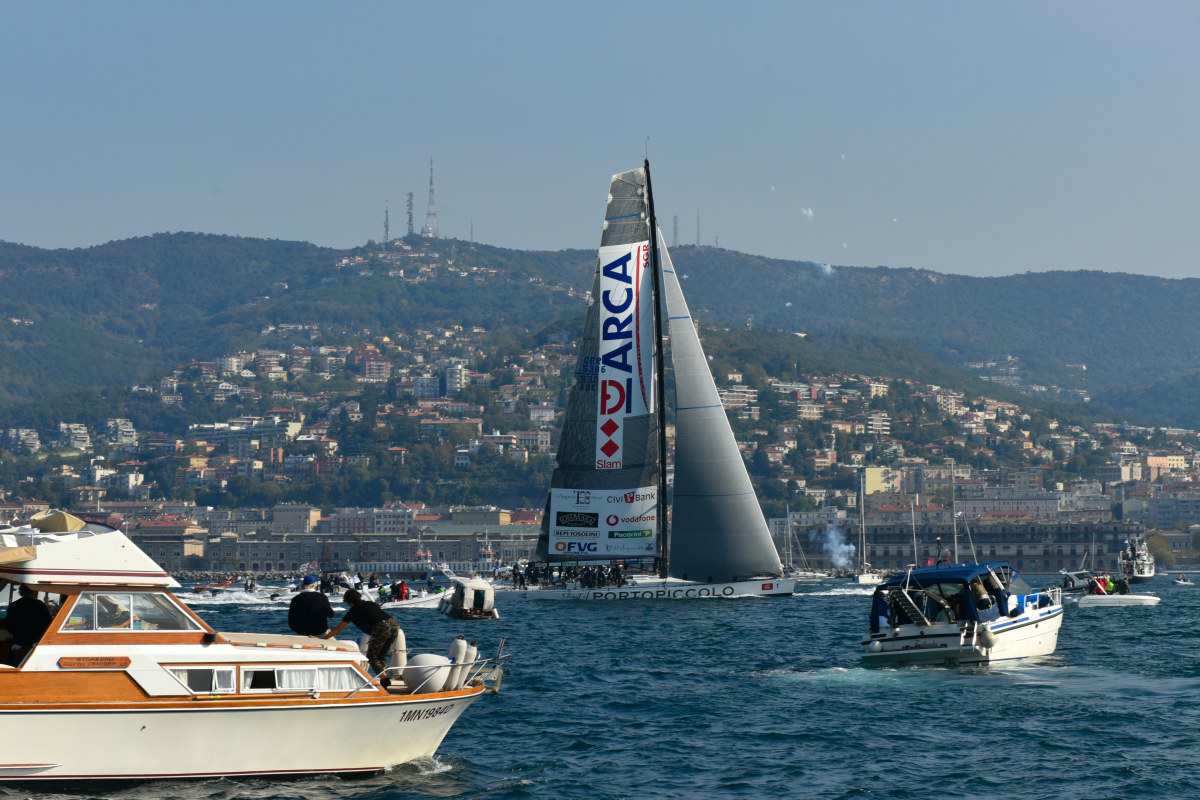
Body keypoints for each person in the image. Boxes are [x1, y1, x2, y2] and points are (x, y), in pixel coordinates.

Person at [322, 589, 400, 688]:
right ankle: (383, 679)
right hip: (393, 624)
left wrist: (323, 639)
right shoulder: (371, 604)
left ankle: (385, 680)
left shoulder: (353, 611)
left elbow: (338, 629)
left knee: (372, 656)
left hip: (381, 627)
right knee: (381, 655)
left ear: (349, 601)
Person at [5, 585, 52, 665]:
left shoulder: (14, 605)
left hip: (19, 644)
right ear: (34, 591)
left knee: (18, 667)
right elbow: (48, 624)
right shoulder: (39, 605)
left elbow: (9, 626)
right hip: (35, 644)